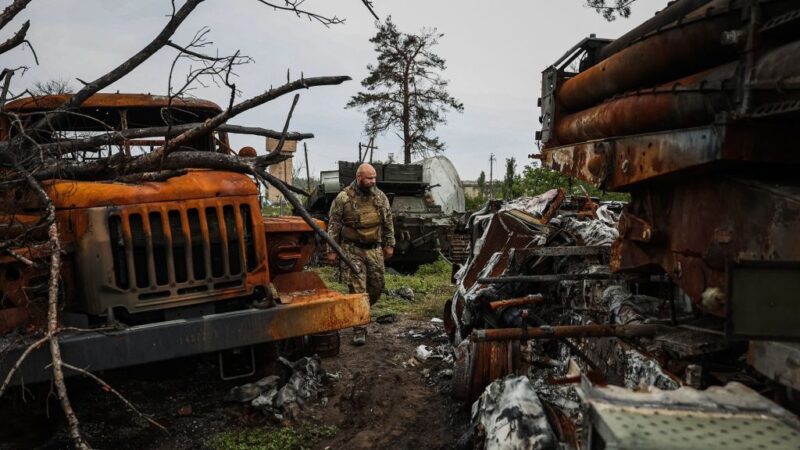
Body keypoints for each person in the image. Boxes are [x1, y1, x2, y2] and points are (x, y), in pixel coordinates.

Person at [327, 163, 395, 345]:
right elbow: (333, 226)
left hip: (374, 249)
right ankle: (359, 327)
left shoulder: (380, 197)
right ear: (359, 178)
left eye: (374, 177)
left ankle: (358, 310)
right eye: (369, 178)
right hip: (352, 250)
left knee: (376, 287)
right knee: (358, 289)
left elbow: (388, 222)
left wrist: (390, 244)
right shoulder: (343, 198)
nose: (373, 181)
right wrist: (332, 251)